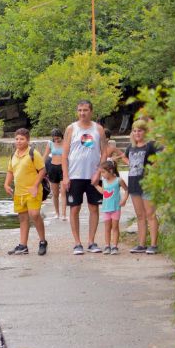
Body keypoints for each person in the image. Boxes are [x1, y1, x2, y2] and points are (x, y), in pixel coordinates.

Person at [62, 100, 109, 255]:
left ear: (91, 111)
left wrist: (98, 173)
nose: (82, 113)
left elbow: (104, 152)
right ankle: (77, 243)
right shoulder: (71, 129)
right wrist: (66, 176)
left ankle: (91, 241)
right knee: (74, 208)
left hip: (93, 175)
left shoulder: (98, 129)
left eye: (85, 110)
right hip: (75, 175)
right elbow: (64, 155)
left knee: (93, 207)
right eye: (80, 110)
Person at [5, 128, 48, 256]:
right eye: (17, 139)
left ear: (28, 140)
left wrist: (35, 186)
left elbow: (42, 170)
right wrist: (6, 184)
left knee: (34, 215)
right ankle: (23, 245)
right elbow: (10, 171)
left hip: (32, 190)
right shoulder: (14, 155)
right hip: (19, 192)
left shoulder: (33, 153)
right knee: (23, 218)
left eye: (22, 139)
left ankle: (42, 241)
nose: (19, 141)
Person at [123, 119, 162, 254]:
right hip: (134, 183)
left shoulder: (151, 145)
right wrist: (130, 164)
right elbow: (125, 157)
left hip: (148, 184)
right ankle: (141, 244)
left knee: (150, 214)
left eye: (140, 130)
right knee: (140, 215)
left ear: (145, 132)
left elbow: (163, 155)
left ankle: (153, 244)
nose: (137, 133)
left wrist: (153, 169)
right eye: (134, 130)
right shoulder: (130, 147)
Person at [95, 159, 128, 255]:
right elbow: (104, 192)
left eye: (103, 172)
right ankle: (107, 245)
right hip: (106, 208)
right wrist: (96, 186)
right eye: (101, 172)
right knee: (107, 228)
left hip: (115, 208)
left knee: (115, 227)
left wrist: (124, 200)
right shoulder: (104, 181)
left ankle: (114, 246)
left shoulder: (119, 180)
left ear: (111, 171)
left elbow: (126, 190)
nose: (102, 175)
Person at [42, 128, 65, 221]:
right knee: (55, 193)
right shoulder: (50, 143)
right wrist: (40, 167)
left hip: (63, 168)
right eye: (55, 138)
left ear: (61, 136)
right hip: (52, 168)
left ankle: (63, 214)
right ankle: (57, 213)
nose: (56, 140)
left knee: (63, 191)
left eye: (58, 138)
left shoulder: (66, 142)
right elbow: (45, 155)